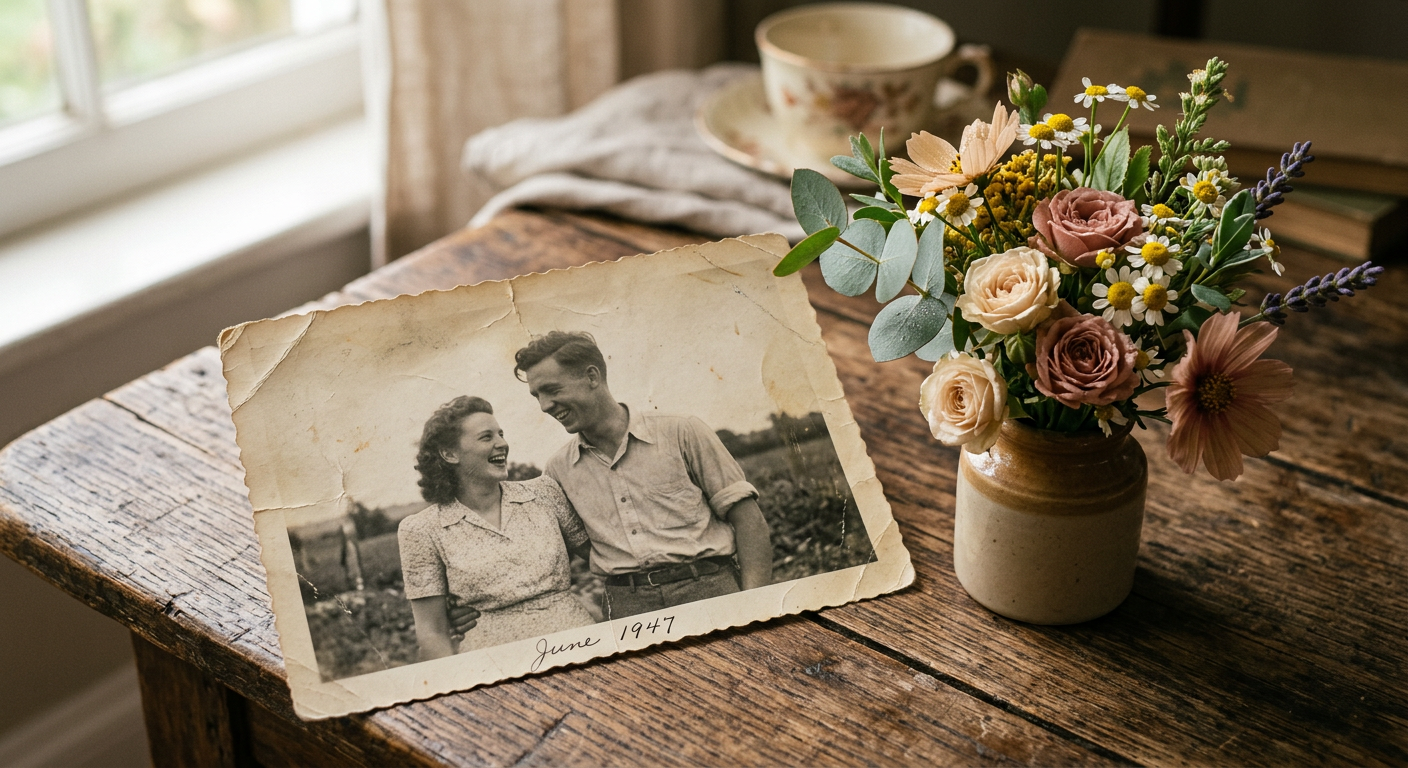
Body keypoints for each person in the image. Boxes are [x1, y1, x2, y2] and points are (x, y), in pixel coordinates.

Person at [512, 331, 773, 620]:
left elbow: (749, 522)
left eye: (552, 390)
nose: (544, 405)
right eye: (537, 395)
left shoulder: (681, 431)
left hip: (709, 591)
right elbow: (574, 546)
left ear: (591, 376)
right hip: (627, 607)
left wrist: (755, 607)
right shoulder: (559, 470)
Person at [398, 396, 594, 660]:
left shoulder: (544, 492)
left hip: (576, 644)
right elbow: (432, 632)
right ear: (450, 453)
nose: (502, 443)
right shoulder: (421, 530)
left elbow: (603, 556)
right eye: (486, 437)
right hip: (493, 662)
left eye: (501, 434)